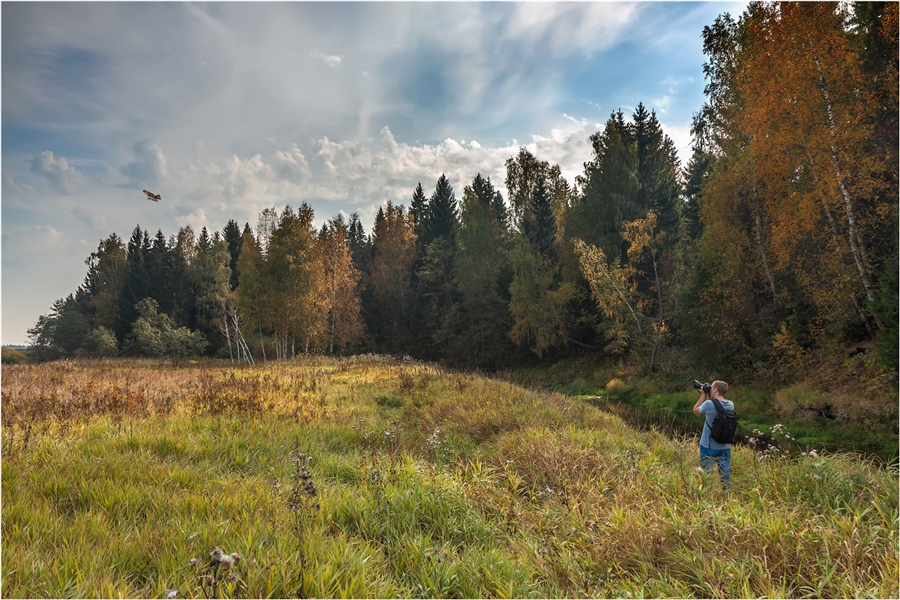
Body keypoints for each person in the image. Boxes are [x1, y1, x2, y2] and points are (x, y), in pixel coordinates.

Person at [693, 380, 733, 488]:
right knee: (725, 475)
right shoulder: (731, 404)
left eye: (712, 387)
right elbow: (716, 406)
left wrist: (703, 395)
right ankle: (727, 495)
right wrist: (709, 396)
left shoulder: (708, 404)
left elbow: (696, 411)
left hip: (708, 445)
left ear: (715, 390)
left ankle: (707, 495)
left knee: (707, 475)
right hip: (724, 446)